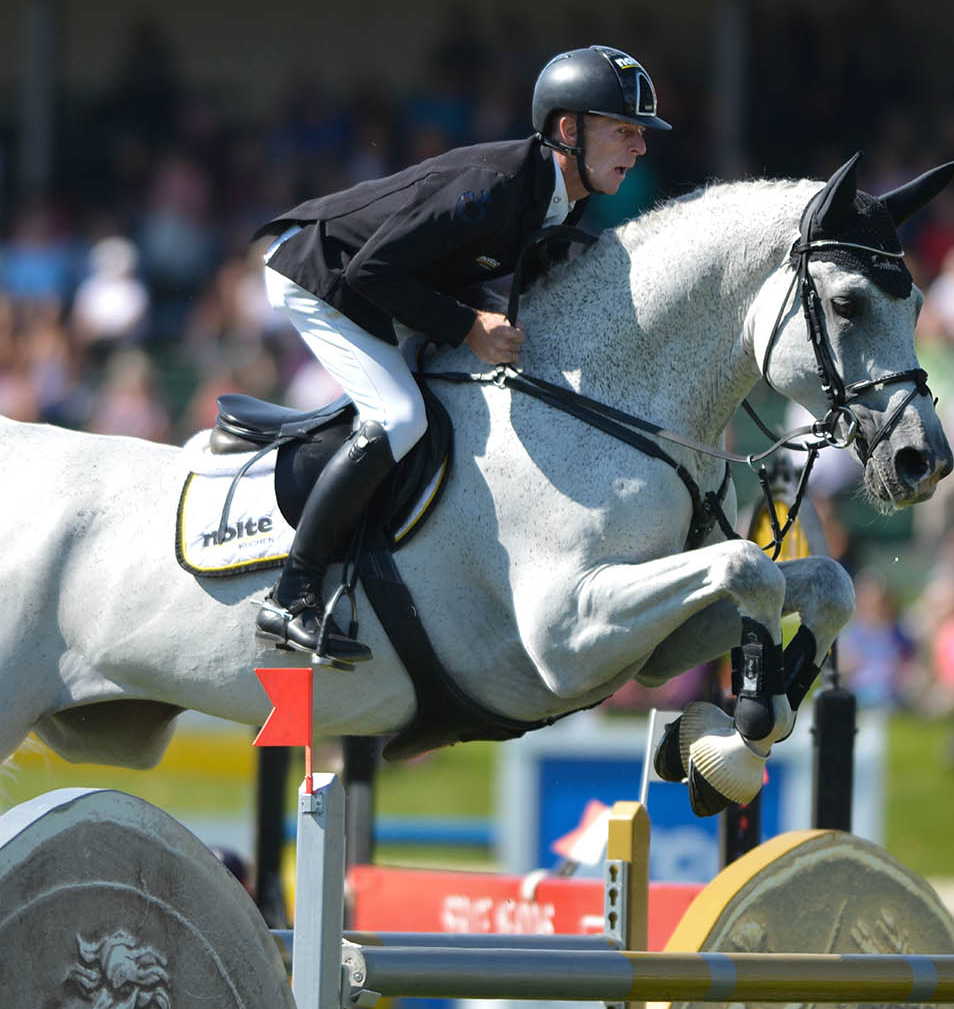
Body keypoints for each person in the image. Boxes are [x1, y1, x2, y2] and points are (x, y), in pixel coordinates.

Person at [251, 45, 666, 663]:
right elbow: (373, 270)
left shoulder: (563, 196)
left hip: (386, 282)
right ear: (568, 129)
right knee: (399, 416)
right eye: (625, 131)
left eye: (640, 135)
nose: (639, 148)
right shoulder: (495, 186)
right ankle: (293, 593)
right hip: (323, 275)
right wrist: (471, 326)